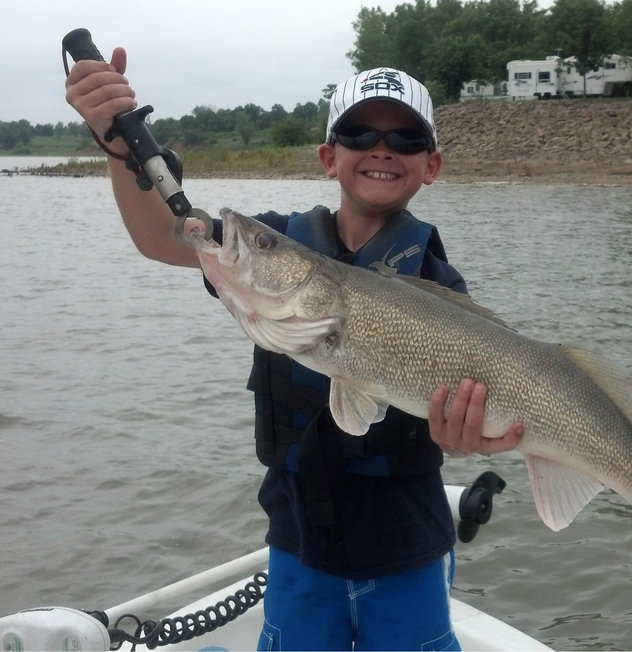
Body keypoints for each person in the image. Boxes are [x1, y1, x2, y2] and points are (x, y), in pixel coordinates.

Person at [66, 50, 523, 651]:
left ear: (430, 165)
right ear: (330, 158)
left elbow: (458, 422)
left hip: (408, 548)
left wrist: (462, 436)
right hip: (298, 545)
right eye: (360, 133)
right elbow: (162, 235)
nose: (381, 148)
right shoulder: (275, 244)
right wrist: (117, 145)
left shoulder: (439, 288)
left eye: (405, 137)